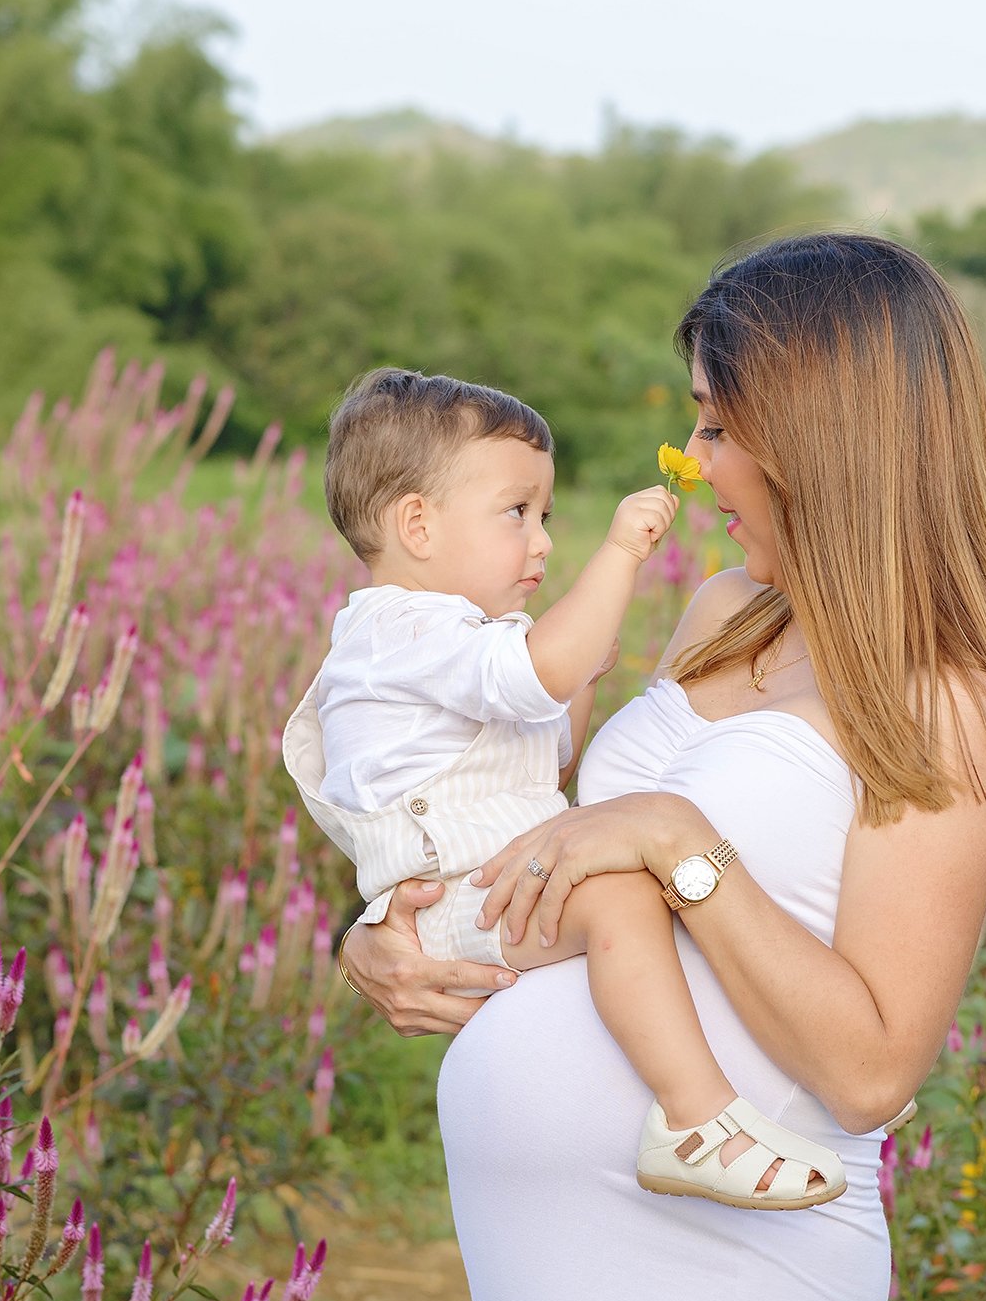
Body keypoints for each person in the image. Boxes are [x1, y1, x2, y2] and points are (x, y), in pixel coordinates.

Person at [336, 233, 986, 1301]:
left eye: (722, 430)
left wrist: (680, 843)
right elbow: (556, 848)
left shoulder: (947, 701)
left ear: (826, 439)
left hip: (723, 1269)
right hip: (545, 1258)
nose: (699, 462)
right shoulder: (726, 612)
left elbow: (873, 1070)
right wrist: (383, 930)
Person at [283, 368, 849, 1211]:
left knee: (640, 888)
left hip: (490, 882)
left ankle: (797, 1056)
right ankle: (695, 1120)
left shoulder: (457, 640)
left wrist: (574, 679)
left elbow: (547, 763)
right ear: (416, 525)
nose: (544, 542)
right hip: (462, 894)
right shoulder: (400, 627)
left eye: (545, 517)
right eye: (519, 514)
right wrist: (618, 557)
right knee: (622, 898)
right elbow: (539, 675)